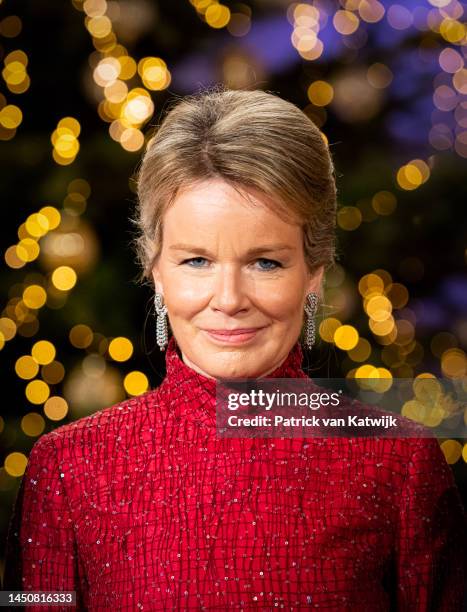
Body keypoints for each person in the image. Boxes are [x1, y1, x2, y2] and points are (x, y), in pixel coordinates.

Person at [3, 88, 466, 610]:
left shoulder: (400, 462)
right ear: (155, 270)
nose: (228, 300)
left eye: (265, 262)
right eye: (196, 261)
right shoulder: (67, 468)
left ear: (314, 273)